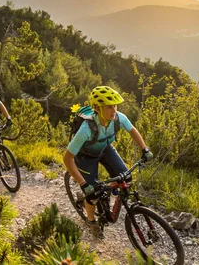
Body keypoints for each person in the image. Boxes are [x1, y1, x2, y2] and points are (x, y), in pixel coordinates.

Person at [64, 86, 153, 236]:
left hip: (105, 148)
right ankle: (91, 221)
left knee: (126, 178)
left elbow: (133, 130)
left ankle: (105, 196)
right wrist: (84, 185)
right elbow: (67, 159)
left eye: (115, 106)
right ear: (98, 108)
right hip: (85, 156)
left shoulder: (119, 118)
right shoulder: (86, 129)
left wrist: (144, 149)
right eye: (109, 107)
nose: (113, 110)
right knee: (92, 196)